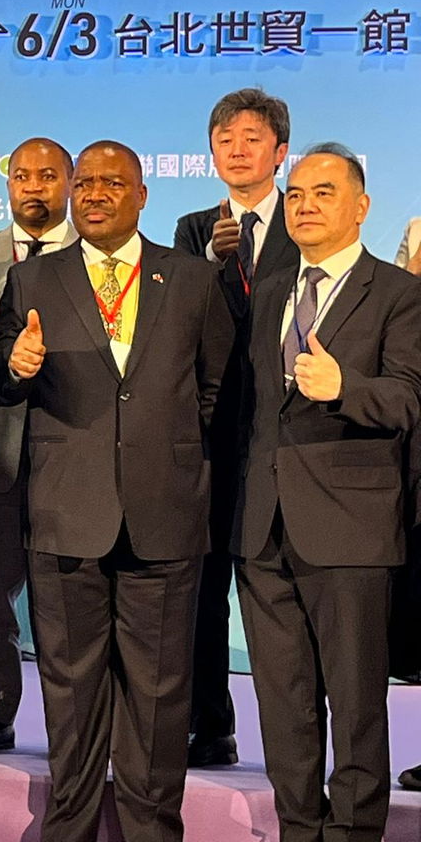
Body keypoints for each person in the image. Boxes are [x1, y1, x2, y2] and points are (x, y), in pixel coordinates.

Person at [0, 140, 232, 842]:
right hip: (66, 513)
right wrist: (15, 364)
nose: (93, 193)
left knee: (157, 696)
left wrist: (167, 452)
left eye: (111, 183)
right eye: (84, 182)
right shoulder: (35, 280)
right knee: (71, 690)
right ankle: (71, 828)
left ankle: (153, 831)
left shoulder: (189, 279)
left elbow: (214, 390)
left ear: (142, 196)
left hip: (164, 513)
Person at [234, 145, 421, 842]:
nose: (305, 205)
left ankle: (353, 833)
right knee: (283, 703)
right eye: (296, 195)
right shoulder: (271, 290)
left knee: (355, 702)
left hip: (351, 526)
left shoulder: (400, 294)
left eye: (323, 193)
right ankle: (297, 829)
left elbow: (411, 399)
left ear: (361, 206)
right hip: (261, 527)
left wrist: (348, 390)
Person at [171, 88, 296, 768]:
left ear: (280, 151)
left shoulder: (304, 221)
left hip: (289, 431)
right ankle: (210, 723)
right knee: (204, 587)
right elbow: (180, 324)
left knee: (284, 586)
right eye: (224, 139)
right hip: (212, 436)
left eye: (251, 137)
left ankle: (297, 738)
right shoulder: (195, 230)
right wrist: (211, 267)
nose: (237, 149)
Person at [0, 137, 75, 757]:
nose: (33, 186)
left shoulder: (102, 258)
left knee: (66, 595)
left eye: (47, 176)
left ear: (69, 184)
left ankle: (73, 720)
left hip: (72, 447)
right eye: (21, 175)